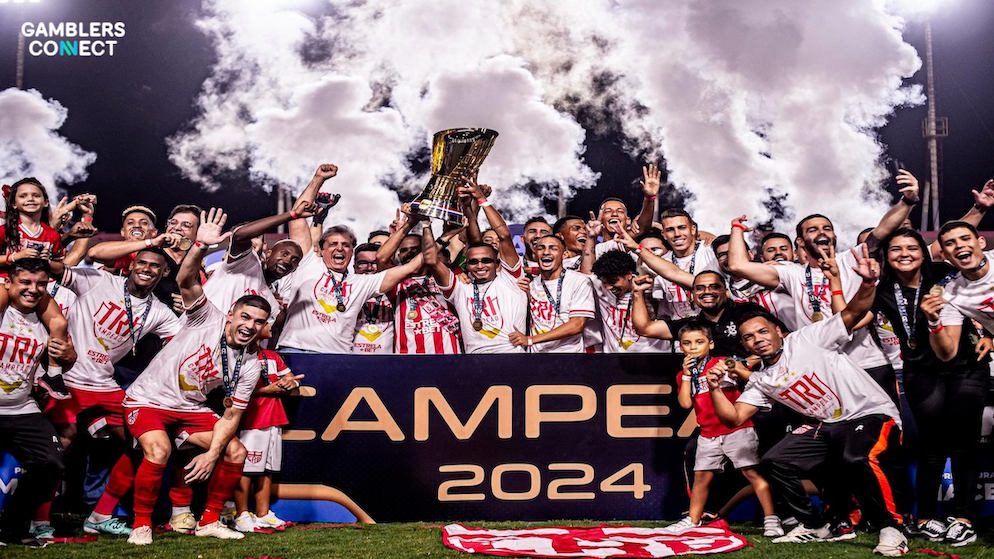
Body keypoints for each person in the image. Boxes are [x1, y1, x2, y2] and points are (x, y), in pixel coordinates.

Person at [708, 247, 912, 556]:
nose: (757, 339)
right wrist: (715, 389)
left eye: (763, 331)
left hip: (869, 414)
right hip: (828, 426)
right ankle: (820, 523)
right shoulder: (762, 378)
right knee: (776, 460)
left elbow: (853, 314)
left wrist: (868, 285)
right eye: (748, 337)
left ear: (779, 330)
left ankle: (891, 527)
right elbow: (734, 418)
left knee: (857, 458)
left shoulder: (808, 338)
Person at [122, 208, 267, 545]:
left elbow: (232, 415)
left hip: (189, 407)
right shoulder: (206, 317)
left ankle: (210, 520)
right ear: (231, 314)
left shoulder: (251, 362)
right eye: (245, 317)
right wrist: (200, 246)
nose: (250, 326)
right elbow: (186, 279)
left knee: (235, 453)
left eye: (258, 323)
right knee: (158, 451)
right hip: (149, 399)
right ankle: (141, 524)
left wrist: (212, 454)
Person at [40, 247, 182, 539]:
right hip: (68, 378)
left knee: (142, 445)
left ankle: (99, 516)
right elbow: (55, 268)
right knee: (59, 445)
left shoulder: (159, 312)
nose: (146, 269)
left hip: (106, 385)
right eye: (141, 262)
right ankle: (39, 519)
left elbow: (181, 347)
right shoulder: (97, 281)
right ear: (131, 264)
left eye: (155, 265)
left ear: (164, 272)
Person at [876, 228, 989, 546]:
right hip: (922, 371)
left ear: (924, 252)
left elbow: (982, 301)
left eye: (912, 247)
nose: (904, 253)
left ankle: (964, 518)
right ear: (886, 256)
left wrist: (991, 334)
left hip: (967, 367)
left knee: (964, 442)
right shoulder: (882, 287)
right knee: (931, 445)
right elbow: (852, 316)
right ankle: (925, 517)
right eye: (895, 248)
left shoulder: (944, 274)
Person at [276, 165, 425, 353]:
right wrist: (318, 179)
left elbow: (410, 267)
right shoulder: (309, 262)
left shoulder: (361, 283)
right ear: (321, 250)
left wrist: (421, 224)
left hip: (336, 356)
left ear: (351, 253)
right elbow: (297, 218)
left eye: (346, 245)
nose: (340, 248)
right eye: (333, 244)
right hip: (294, 348)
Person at [663, 322, 780, 537]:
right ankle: (693, 519)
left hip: (737, 429)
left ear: (711, 343)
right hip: (707, 433)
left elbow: (742, 370)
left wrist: (732, 368)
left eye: (699, 342)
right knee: (701, 477)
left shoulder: (720, 363)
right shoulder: (684, 375)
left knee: (752, 474)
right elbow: (685, 404)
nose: (694, 347)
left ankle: (772, 519)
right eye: (687, 343)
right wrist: (687, 375)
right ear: (681, 347)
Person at [0, 259, 77, 548]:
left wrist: (67, 358)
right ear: (9, 283)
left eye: (41, 284)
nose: (34, 290)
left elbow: (67, 359)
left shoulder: (47, 318)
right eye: (26, 283)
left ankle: (10, 529)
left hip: (22, 407)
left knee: (51, 463)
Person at [426, 178, 527, 354]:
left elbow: (503, 235)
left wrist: (481, 199)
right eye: (473, 261)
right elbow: (431, 259)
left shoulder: (511, 279)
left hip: (513, 358)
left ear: (497, 263)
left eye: (486, 260)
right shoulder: (459, 287)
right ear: (467, 265)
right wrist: (433, 227)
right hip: (474, 362)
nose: (480, 265)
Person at [232, 348, 303, 532]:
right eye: (264, 322)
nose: (269, 324)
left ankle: (262, 514)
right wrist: (267, 390)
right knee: (246, 469)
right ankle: (241, 514)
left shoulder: (273, 356)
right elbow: (232, 391)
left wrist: (291, 384)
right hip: (252, 419)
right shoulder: (238, 355)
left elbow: (292, 378)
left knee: (267, 469)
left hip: (274, 417)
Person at [509, 234, 594, 352]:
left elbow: (577, 324)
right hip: (537, 358)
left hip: (568, 357)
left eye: (553, 248)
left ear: (564, 254)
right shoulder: (531, 286)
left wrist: (530, 340)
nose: (546, 252)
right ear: (535, 255)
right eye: (541, 248)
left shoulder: (578, 281)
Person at [588, 250, 668, 352]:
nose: (608, 287)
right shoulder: (600, 289)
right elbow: (584, 273)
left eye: (613, 282)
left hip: (652, 356)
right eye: (604, 282)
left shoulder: (649, 288)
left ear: (629, 275)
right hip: (615, 360)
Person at [352, 242, 395, 354]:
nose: (369, 268)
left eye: (375, 263)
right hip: (350, 361)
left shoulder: (395, 292)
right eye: (363, 263)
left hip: (387, 363)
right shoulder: (346, 292)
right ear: (354, 266)